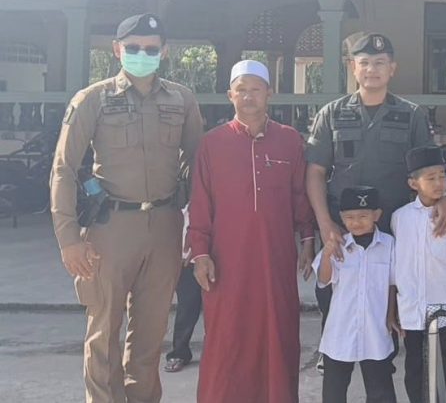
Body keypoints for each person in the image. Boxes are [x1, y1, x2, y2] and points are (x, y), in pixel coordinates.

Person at [50, 13, 203, 403]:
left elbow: (198, 165)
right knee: (103, 333)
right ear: (117, 50)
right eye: (132, 47)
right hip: (110, 228)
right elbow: (64, 168)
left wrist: (198, 230)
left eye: (150, 49)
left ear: (164, 52)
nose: (141, 54)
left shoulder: (182, 100)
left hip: (165, 225)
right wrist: (69, 238)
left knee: (150, 335)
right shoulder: (92, 99)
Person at [305, 33, 446, 340]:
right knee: (334, 293)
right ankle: (332, 352)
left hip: (392, 225)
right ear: (352, 67)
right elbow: (315, 171)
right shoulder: (331, 114)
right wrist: (324, 222)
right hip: (342, 225)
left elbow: (429, 169)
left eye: (380, 63)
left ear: (392, 68)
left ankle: (385, 352)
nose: (372, 69)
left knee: (388, 295)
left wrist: (444, 198)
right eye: (365, 62)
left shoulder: (411, 115)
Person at [187, 60, 315, 403]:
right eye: (241, 90)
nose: (248, 96)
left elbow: (300, 196)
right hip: (226, 261)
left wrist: (308, 240)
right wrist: (200, 253)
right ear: (230, 95)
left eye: (255, 89)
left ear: (269, 93)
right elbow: (200, 202)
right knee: (227, 337)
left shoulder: (289, 140)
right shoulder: (212, 144)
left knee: (278, 333)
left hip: (276, 259)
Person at [393, 146, 446, 403]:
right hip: (411, 309)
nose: (439, 183)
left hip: (444, 307)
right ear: (413, 183)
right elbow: (396, 267)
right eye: (431, 178)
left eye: (442, 176)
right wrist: (393, 308)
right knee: (414, 368)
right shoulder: (399, 218)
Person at [316, 186, 396, 403]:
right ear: (342, 218)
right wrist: (327, 254)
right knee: (334, 391)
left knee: (381, 390)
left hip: (375, 329)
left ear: (376, 215)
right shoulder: (338, 245)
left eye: (363, 216)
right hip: (340, 331)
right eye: (350, 217)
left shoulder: (389, 245)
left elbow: (391, 284)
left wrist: (390, 315)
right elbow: (323, 280)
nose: (356, 222)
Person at [163, 222, 202, 373]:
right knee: (187, 307)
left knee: (219, 311)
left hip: (215, 254)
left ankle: (219, 353)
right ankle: (179, 352)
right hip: (187, 259)